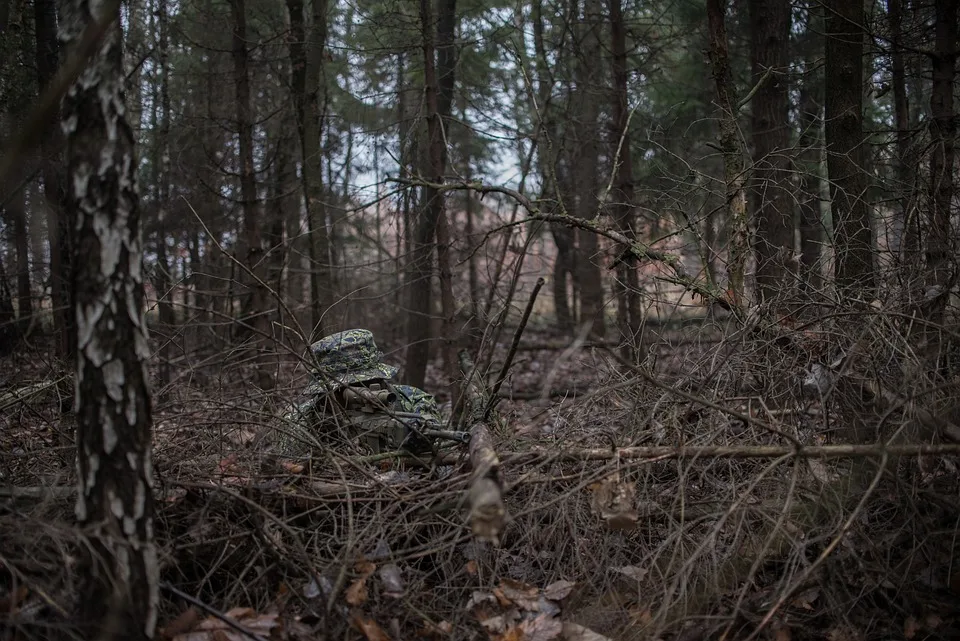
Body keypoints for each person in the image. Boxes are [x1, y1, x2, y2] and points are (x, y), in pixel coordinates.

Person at [280, 329, 445, 455]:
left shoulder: (413, 399)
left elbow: (433, 432)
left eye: (368, 381)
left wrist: (414, 435)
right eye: (349, 386)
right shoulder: (302, 419)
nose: (362, 390)